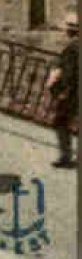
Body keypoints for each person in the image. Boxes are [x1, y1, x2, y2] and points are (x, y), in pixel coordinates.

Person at [46, 13, 79, 168]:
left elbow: (70, 73)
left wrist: (62, 91)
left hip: (72, 92)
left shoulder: (72, 48)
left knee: (60, 122)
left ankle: (65, 156)